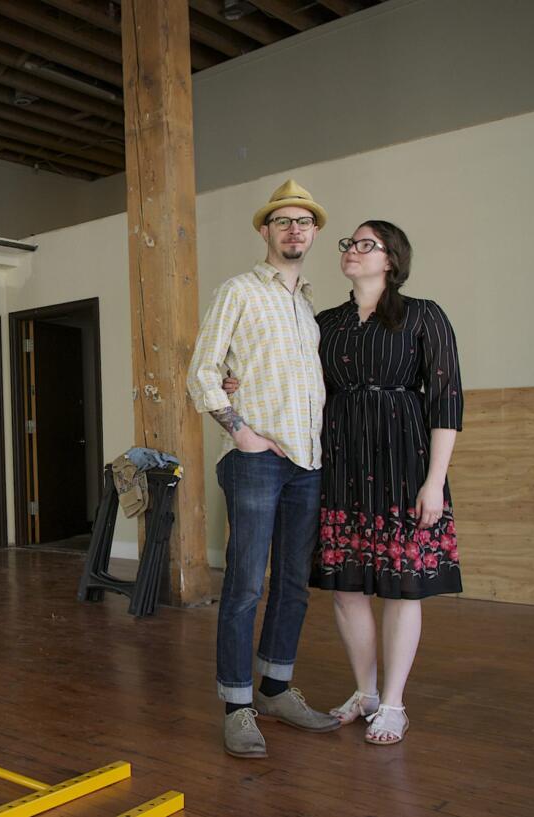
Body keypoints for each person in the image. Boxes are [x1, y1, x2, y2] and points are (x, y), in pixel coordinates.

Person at [224, 220, 464, 746]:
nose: (352, 251)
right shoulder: (324, 322)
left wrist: (434, 482)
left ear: (391, 259)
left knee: (402, 588)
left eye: (366, 245)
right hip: (340, 466)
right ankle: (367, 692)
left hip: (405, 467)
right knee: (347, 588)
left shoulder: (424, 315)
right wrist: (233, 380)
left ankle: (395, 704)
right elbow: (287, 372)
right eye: (349, 244)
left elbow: (447, 402)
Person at [188, 180, 340, 760]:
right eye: (283, 222)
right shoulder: (240, 291)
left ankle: (275, 689)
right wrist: (240, 432)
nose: (294, 230)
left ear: (315, 232)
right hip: (256, 461)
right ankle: (237, 705)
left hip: (307, 462)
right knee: (246, 585)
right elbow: (202, 371)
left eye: (304, 221)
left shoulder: (307, 307)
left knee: (293, 587)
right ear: (265, 231)